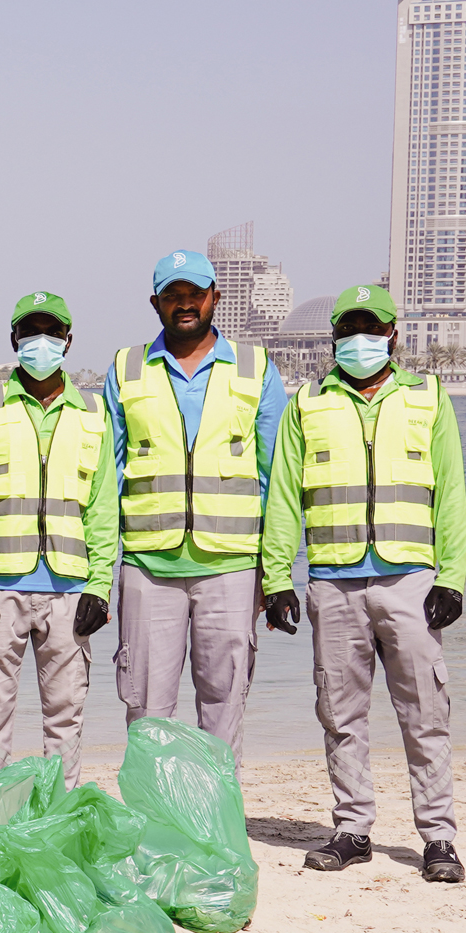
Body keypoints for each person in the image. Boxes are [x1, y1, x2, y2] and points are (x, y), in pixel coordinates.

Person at [261, 283, 466, 883]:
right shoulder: (308, 403)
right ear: (334, 339)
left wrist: (451, 576)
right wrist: (278, 578)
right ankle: (352, 828)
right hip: (333, 581)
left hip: (411, 580)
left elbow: (451, 492)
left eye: (371, 329)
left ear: (393, 335)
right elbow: (283, 498)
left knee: (425, 711)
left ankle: (438, 838)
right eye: (349, 330)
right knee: (339, 711)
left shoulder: (428, 397)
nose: (361, 340)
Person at [102, 250, 289, 765]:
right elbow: (105, 476)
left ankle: (216, 830)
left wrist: (275, 577)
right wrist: (100, 573)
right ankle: (152, 830)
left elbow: (278, 480)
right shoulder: (125, 368)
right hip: (148, 567)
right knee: (145, 712)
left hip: (230, 567)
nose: (185, 304)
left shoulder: (257, 368)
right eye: (172, 295)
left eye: (194, 294)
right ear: (155, 303)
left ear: (215, 297)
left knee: (223, 708)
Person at [0, 291, 118, 788]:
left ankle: (58, 819)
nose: (40, 342)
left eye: (51, 333)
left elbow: (103, 506)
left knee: (65, 721)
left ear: (68, 341)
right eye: (30, 333)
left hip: (71, 589)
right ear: (14, 340)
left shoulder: (93, 412)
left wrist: (100, 586)